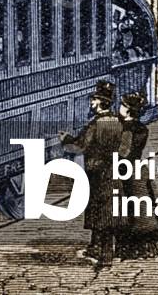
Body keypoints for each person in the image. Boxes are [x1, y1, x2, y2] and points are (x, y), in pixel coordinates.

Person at [60, 80, 123, 268]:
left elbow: (80, 146)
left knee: (100, 212)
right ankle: (96, 247)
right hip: (112, 171)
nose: (91, 103)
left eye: (94, 100)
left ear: (100, 102)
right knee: (104, 210)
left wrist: (65, 140)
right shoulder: (117, 122)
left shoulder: (95, 125)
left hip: (97, 172)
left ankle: (105, 256)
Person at [115, 92, 158, 260]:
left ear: (128, 110)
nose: (120, 107)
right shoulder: (142, 128)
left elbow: (123, 152)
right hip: (138, 167)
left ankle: (131, 248)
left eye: (123, 105)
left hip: (125, 170)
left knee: (129, 209)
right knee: (145, 207)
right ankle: (151, 246)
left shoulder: (126, 129)